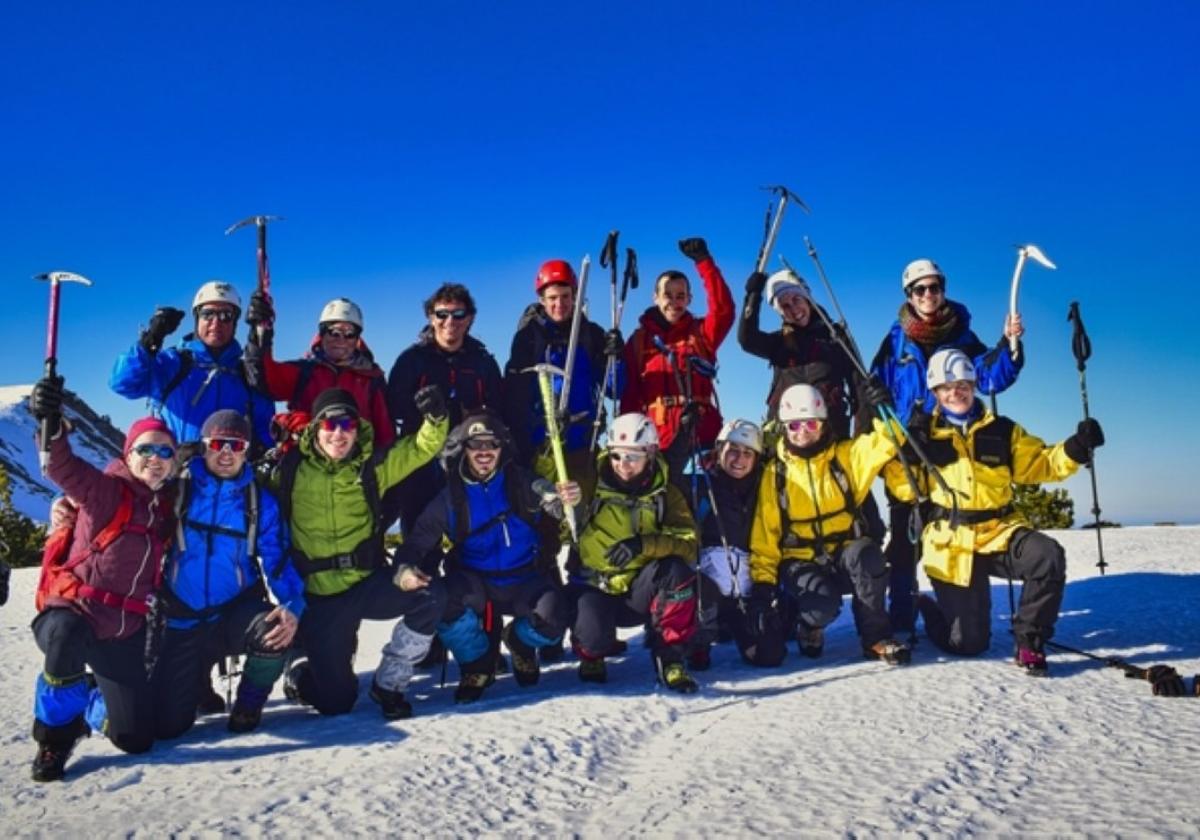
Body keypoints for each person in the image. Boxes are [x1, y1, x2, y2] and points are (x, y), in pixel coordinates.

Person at [885, 349, 1104, 674]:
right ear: (935, 393)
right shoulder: (924, 436)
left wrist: (1075, 448)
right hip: (952, 544)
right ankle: (930, 610)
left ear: (973, 384)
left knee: (1047, 555)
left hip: (1000, 532)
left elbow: (1041, 463)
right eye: (946, 387)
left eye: (962, 384)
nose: (955, 392)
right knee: (968, 644)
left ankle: (1029, 641)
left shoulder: (1002, 430)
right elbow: (903, 488)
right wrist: (907, 452)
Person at [26, 376, 177, 782]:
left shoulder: (166, 506)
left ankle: (88, 701)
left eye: (165, 451)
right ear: (128, 455)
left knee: (135, 738)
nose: (155, 458)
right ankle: (53, 740)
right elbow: (64, 468)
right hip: (72, 612)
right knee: (66, 638)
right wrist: (52, 425)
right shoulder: (106, 491)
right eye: (145, 449)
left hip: (123, 629)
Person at [869, 258, 1025, 633]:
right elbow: (876, 389)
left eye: (934, 287)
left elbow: (989, 377)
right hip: (910, 450)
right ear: (909, 294)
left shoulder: (963, 336)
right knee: (905, 537)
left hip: (952, 448)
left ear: (943, 289)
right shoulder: (894, 341)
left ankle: (959, 603)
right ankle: (902, 613)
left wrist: (1010, 344)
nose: (928, 295)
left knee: (951, 529)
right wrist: (873, 398)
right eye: (920, 289)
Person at [274, 386, 448, 719]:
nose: (339, 433)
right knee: (336, 703)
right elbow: (241, 484)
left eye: (347, 424)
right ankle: (300, 669)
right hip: (320, 597)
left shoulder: (371, 467)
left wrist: (436, 417)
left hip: (367, 584)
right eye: (329, 424)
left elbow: (420, 448)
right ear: (315, 428)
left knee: (431, 594)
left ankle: (389, 683)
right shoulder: (290, 470)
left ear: (358, 429)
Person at [395, 410, 573, 703]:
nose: (484, 452)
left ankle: (518, 641)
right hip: (475, 584)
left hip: (525, 578)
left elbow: (550, 497)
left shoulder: (522, 482)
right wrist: (404, 568)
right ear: (463, 448)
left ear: (502, 448)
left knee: (554, 619)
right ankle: (477, 664)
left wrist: (563, 501)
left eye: (491, 444)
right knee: (445, 602)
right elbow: (417, 542)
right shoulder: (450, 497)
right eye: (475, 444)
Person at [153, 410, 305, 737]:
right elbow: (128, 485)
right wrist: (66, 505)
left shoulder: (259, 502)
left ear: (247, 451)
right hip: (182, 617)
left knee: (273, 630)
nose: (226, 453)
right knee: (167, 725)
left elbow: (277, 559)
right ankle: (195, 688)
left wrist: (292, 606)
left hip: (235, 611)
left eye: (236, 446)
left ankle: (249, 704)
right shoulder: (177, 491)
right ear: (204, 447)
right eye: (218, 443)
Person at [745, 383, 910, 667]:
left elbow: (890, 441)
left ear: (822, 423)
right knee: (823, 604)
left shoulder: (846, 456)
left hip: (845, 552)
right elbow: (765, 532)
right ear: (784, 427)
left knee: (868, 556)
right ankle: (809, 627)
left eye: (810, 423)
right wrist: (762, 583)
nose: (803, 431)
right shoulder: (776, 473)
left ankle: (877, 639)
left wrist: (885, 410)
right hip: (800, 560)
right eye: (794, 425)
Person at [567, 412, 701, 693]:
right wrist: (562, 506)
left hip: (640, 590)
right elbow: (561, 521)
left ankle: (671, 657)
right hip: (596, 585)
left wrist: (643, 544)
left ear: (650, 454)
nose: (623, 465)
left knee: (677, 571)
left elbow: (688, 544)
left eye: (632, 457)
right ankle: (591, 654)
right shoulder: (591, 483)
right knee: (593, 638)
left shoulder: (666, 494)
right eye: (616, 456)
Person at [385, 283, 504, 533]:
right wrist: (424, 410)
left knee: (471, 527)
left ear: (469, 318)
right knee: (420, 528)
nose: (450, 321)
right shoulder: (412, 359)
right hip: (420, 457)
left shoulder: (482, 361)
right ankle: (418, 568)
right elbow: (393, 405)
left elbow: (500, 407)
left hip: (467, 456)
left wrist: (475, 416)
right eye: (442, 314)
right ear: (431, 317)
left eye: (459, 314)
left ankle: (468, 570)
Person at [109, 281, 275, 451]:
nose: (216, 323)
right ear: (197, 319)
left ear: (235, 323)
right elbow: (123, 383)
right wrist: (149, 342)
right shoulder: (173, 364)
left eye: (226, 315)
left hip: (229, 472)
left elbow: (266, 429)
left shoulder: (245, 374)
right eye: (208, 314)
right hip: (176, 472)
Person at [503, 258, 623, 464]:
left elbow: (614, 389)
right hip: (540, 445)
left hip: (583, 442)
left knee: (580, 495)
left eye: (566, 296)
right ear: (542, 299)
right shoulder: (528, 337)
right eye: (552, 298)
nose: (560, 304)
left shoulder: (591, 335)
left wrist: (616, 358)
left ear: (575, 295)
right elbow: (515, 394)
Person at [620, 238, 734, 453]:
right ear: (655, 298)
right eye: (667, 295)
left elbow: (724, 310)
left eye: (680, 296)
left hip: (702, 436)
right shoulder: (638, 341)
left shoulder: (701, 333)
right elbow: (630, 394)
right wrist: (629, 443)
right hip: (657, 439)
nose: (674, 302)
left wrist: (704, 263)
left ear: (689, 299)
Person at [243, 294, 394, 447]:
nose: (341, 340)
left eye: (349, 334)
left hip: (353, 464)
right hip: (305, 460)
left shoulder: (371, 378)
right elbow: (263, 378)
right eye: (334, 332)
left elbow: (385, 431)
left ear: (357, 340)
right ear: (322, 334)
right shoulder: (305, 371)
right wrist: (260, 332)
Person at [681, 419, 768, 669]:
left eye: (747, 453)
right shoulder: (699, 484)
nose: (739, 459)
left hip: (746, 587)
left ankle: (739, 627)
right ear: (719, 450)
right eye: (733, 450)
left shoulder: (764, 487)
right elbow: (669, 475)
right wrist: (683, 437)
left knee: (768, 656)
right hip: (708, 583)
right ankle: (699, 641)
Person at [738, 268, 866, 436]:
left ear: (807, 299)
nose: (794, 309)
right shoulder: (778, 343)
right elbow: (747, 340)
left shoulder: (836, 337)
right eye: (785, 306)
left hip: (829, 434)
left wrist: (861, 436)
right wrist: (753, 297)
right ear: (781, 313)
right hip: (785, 436)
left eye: (796, 299)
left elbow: (859, 385)